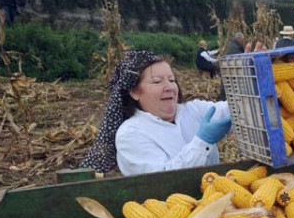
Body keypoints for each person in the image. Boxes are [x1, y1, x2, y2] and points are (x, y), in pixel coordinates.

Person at [81, 51, 232, 176]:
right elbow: (165, 178)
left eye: (171, 80)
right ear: (134, 92)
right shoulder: (130, 134)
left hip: (213, 195)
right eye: (157, 82)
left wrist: (250, 70)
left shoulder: (194, 110)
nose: (169, 87)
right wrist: (203, 141)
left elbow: (238, 108)